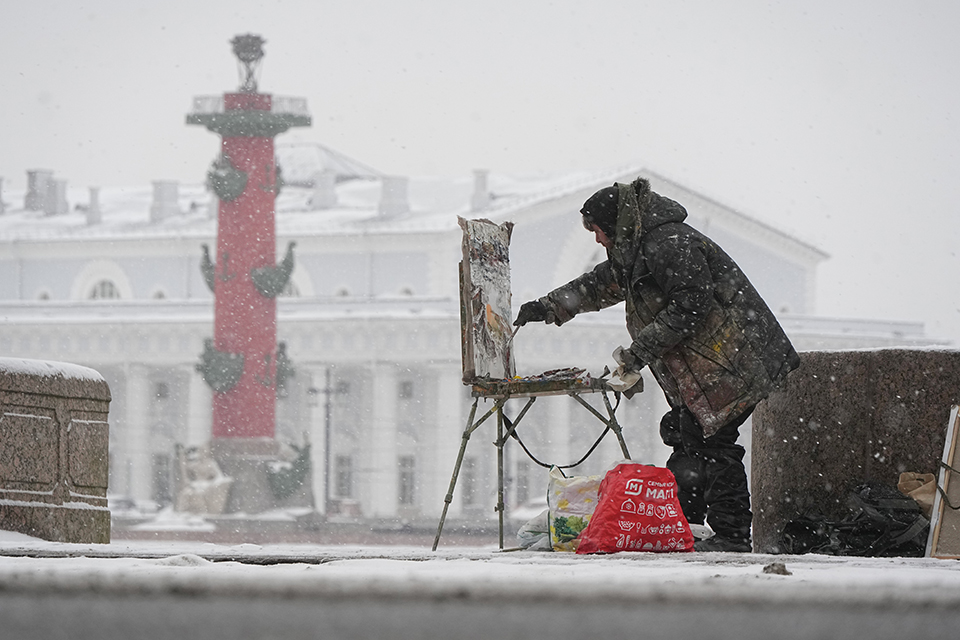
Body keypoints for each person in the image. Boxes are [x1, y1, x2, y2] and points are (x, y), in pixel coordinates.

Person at [513, 176, 800, 552]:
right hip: (706, 366)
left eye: (599, 231)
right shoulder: (638, 249)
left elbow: (690, 307)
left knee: (713, 445)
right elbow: (599, 284)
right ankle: (688, 526)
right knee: (685, 436)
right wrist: (548, 306)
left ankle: (730, 536)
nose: (598, 240)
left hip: (731, 361)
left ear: (616, 224)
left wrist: (637, 353)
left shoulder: (670, 244)